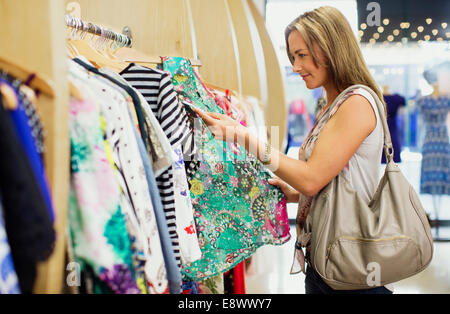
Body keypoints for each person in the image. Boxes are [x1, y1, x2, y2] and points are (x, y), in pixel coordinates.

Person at [193, 6, 392, 294]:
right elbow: (334, 182)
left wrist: (244, 136)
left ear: (330, 48)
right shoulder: (332, 105)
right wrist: (294, 193)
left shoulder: (357, 103)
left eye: (302, 55)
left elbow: (312, 177)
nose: (296, 67)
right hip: (328, 262)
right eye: (292, 57)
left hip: (354, 270)